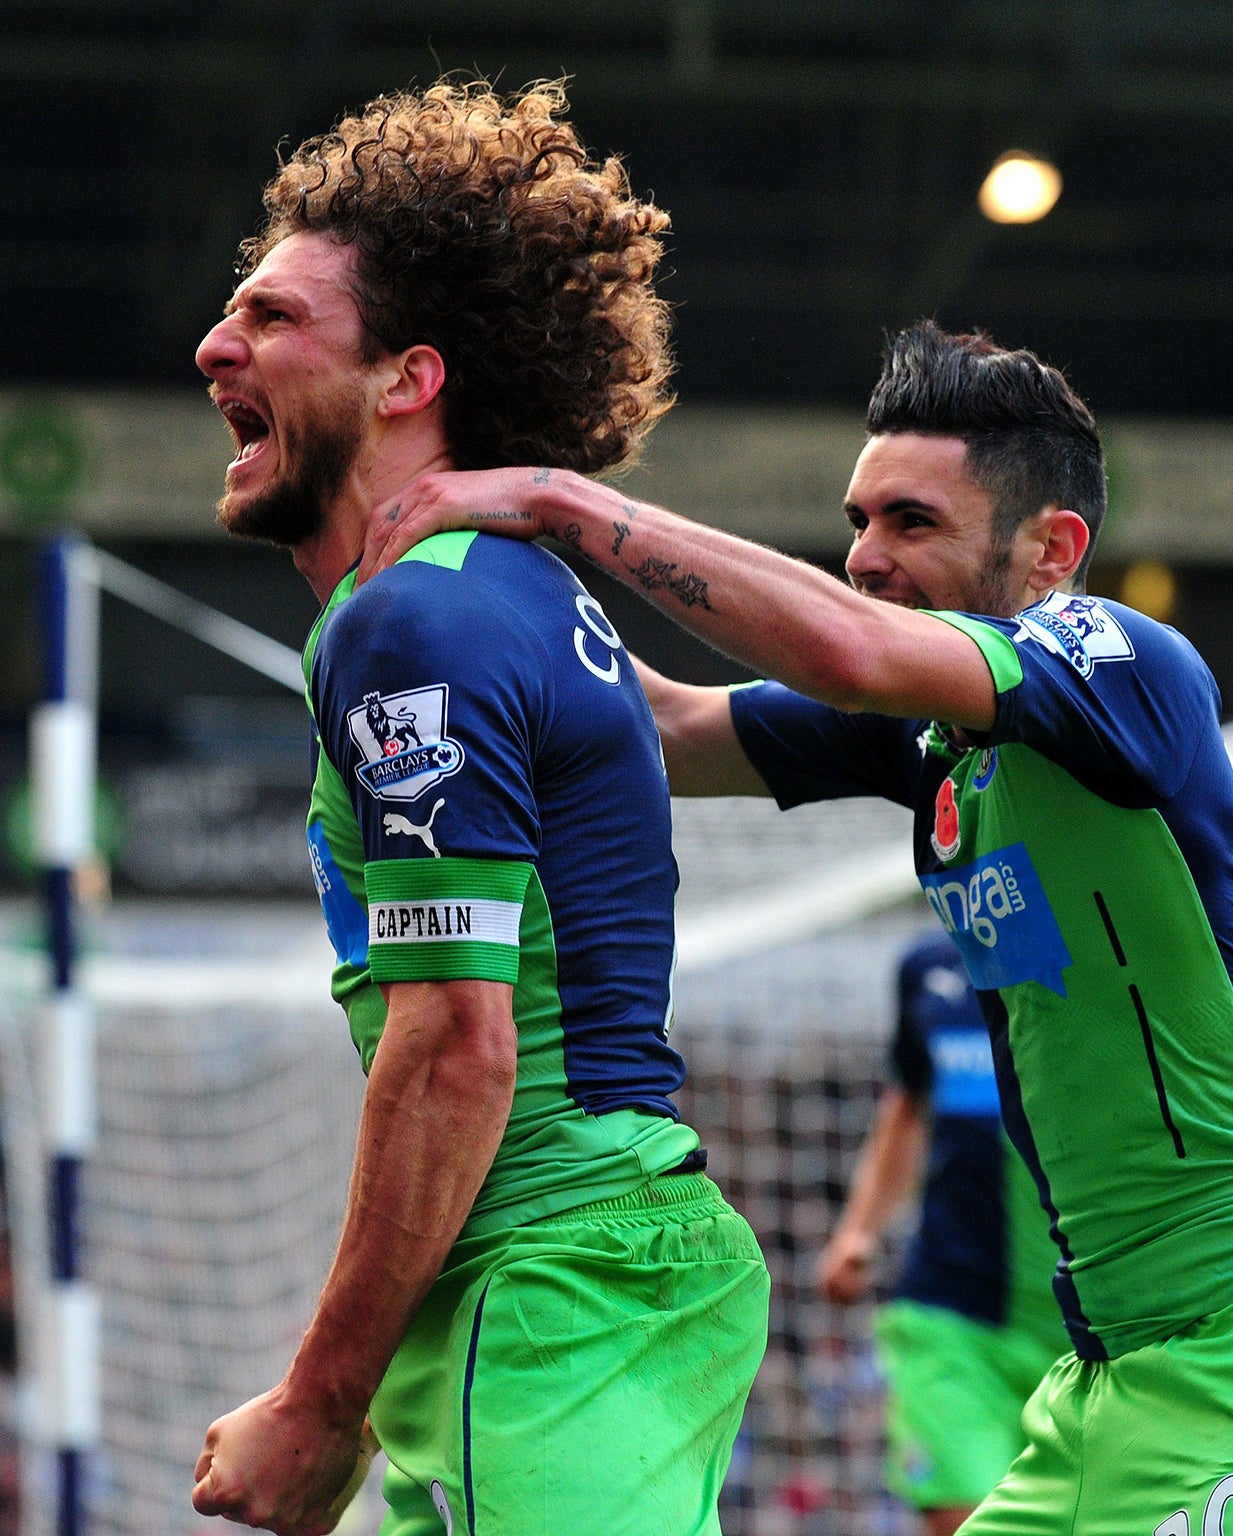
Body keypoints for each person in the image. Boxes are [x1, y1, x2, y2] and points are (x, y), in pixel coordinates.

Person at [362, 322, 1233, 1535]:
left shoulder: (1119, 657)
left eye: (910, 524)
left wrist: (561, 504)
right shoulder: (920, 738)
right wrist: (454, 594)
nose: (864, 557)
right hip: (1108, 1384)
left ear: (1051, 549)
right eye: (857, 520)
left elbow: (845, 646)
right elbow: (648, 730)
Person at [186, 80, 769, 1536]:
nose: (216, 347)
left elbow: (456, 1045)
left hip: (556, 1284)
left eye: (272, 320)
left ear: (406, 379)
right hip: (553, 1281)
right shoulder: (500, 598)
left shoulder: (418, 626)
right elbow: (690, 729)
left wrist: (318, 1409)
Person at [819, 933, 1065, 1536]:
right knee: (969, 1524)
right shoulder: (926, 969)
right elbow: (908, 1106)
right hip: (951, 1320)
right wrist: (859, 1231)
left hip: (1081, 1330)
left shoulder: (1094, 939)